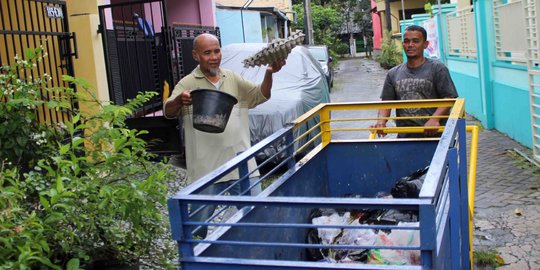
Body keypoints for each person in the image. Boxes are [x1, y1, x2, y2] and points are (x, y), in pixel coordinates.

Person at [163, 33, 286, 238]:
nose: (214, 57)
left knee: (257, 217)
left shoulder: (232, 78)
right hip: (206, 170)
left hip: (241, 165)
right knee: (196, 229)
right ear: (195, 55)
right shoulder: (187, 83)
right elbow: (168, 111)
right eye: (207, 53)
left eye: (217, 51)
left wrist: (269, 73)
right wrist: (179, 102)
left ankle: (256, 256)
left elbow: (260, 95)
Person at [371, 25, 458, 138]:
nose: (410, 45)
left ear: (425, 44)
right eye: (406, 41)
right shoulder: (393, 73)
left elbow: (449, 97)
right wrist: (381, 121)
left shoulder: (437, 68)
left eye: (415, 41)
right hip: (405, 138)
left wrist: (434, 119)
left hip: (435, 137)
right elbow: (386, 102)